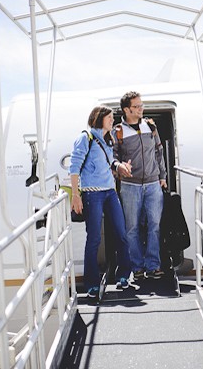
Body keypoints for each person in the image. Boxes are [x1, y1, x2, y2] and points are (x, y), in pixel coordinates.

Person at [69, 105, 133, 298]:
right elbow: (74, 167)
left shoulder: (108, 139)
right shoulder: (85, 138)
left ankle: (123, 275)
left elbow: (110, 160)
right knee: (94, 238)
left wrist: (119, 165)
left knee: (121, 233)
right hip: (92, 194)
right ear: (99, 118)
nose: (113, 120)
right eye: (110, 118)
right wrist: (75, 195)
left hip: (110, 192)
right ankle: (92, 283)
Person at [114, 91, 167, 280]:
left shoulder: (150, 126)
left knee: (155, 225)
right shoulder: (118, 131)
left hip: (153, 183)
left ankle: (153, 265)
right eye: (137, 107)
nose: (140, 109)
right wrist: (119, 168)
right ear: (126, 110)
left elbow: (159, 151)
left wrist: (163, 176)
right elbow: (113, 158)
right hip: (130, 186)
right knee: (132, 228)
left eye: (141, 105)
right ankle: (137, 267)